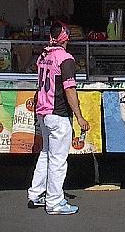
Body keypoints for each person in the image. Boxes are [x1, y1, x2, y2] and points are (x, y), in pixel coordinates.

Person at [28, 22, 89, 215]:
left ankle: (36, 193)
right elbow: (69, 89)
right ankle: (54, 202)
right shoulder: (66, 59)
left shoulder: (44, 56)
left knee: (46, 153)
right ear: (66, 38)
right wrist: (79, 116)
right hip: (58, 114)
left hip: (43, 113)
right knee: (58, 160)